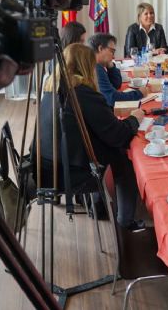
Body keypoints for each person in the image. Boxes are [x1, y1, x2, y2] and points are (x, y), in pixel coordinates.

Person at [35, 43, 145, 229]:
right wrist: (135, 118)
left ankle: (98, 207)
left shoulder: (51, 86)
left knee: (106, 144)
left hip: (45, 167)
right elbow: (118, 135)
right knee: (123, 157)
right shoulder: (81, 92)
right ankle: (126, 222)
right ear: (87, 66)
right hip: (70, 173)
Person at [88, 33, 149, 107]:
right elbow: (112, 98)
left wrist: (111, 67)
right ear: (100, 48)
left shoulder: (97, 65)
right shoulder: (96, 68)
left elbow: (116, 84)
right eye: (112, 51)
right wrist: (139, 93)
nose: (113, 56)